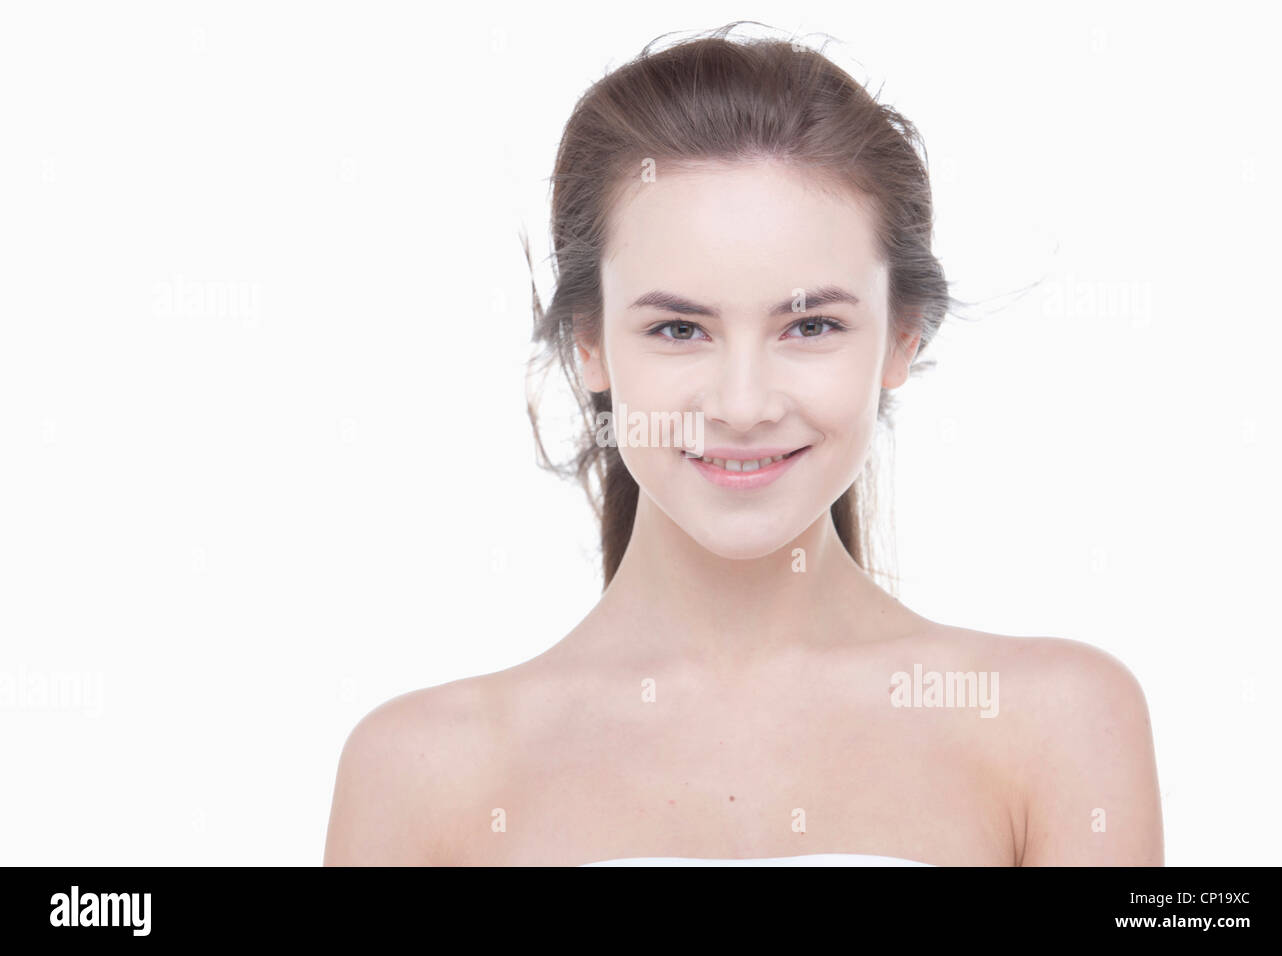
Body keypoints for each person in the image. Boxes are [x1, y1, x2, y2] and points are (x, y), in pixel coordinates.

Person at [324, 23, 1163, 867]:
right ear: (589, 343)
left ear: (902, 337)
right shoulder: (419, 772)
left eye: (811, 324)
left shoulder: (1057, 725)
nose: (743, 404)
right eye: (680, 328)